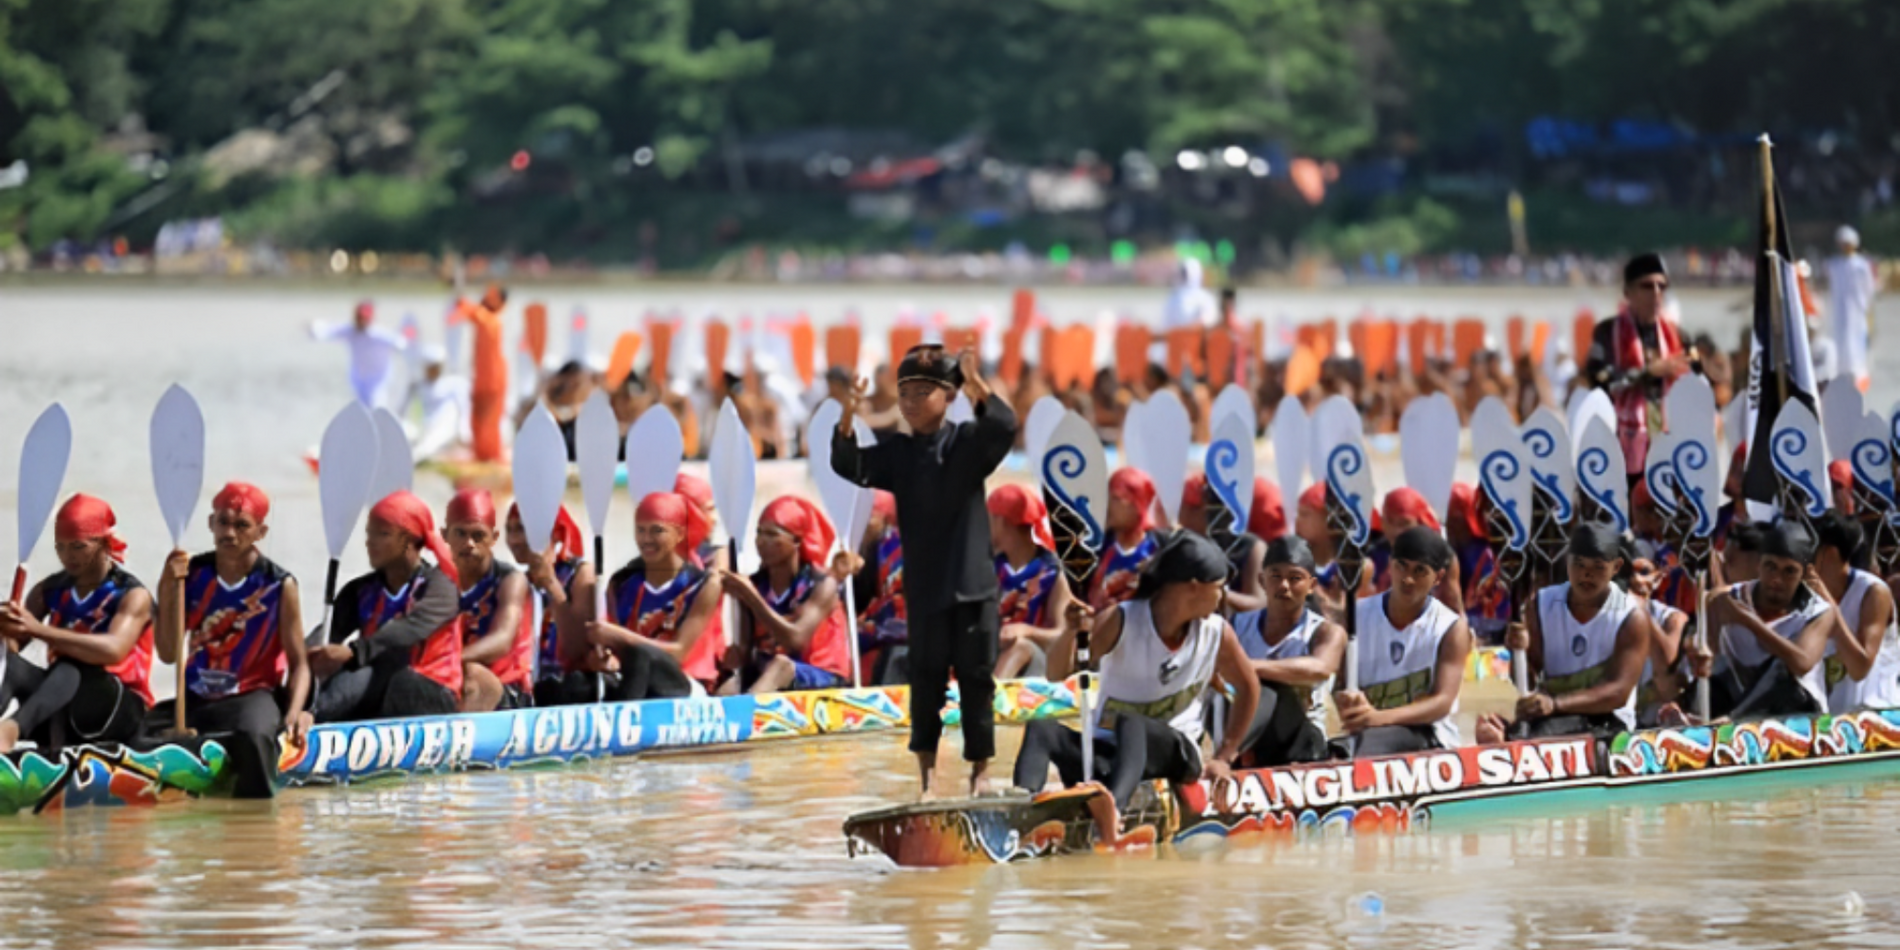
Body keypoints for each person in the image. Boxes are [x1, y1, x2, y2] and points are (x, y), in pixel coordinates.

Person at [832, 344, 1016, 797]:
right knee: (926, 680)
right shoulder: (896, 454)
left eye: (923, 392)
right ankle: (928, 779)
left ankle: (981, 774)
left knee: (976, 681)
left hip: (972, 586)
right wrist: (850, 409)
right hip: (927, 588)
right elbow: (847, 463)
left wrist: (974, 380)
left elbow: (1004, 425)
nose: (911, 402)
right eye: (905, 393)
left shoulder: (968, 445)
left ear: (948, 395)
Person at [1013, 531, 1257, 847]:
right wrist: (1071, 631)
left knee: (1132, 723)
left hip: (1176, 754)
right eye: (1219, 588)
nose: (1222, 598)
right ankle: (1020, 815)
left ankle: (1115, 814)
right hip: (1110, 756)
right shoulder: (1121, 620)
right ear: (1193, 587)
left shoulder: (1216, 633)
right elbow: (1058, 672)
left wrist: (1225, 754)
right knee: (1041, 727)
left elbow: (1249, 688)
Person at [152, 482, 311, 741]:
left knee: (254, 737)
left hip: (252, 697)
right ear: (211, 523)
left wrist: (294, 714)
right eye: (222, 522)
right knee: (138, 738)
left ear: (261, 532)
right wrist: (166, 585)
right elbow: (168, 653)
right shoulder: (189, 574)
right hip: (194, 699)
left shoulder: (279, 584)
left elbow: (299, 664)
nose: (229, 533)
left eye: (242, 526)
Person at [0, 495, 154, 752]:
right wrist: (5, 627)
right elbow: (12, 647)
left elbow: (114, 649)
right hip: (62, 704)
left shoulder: (132, 595)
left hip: (117, 710)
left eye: (78, 547)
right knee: (10, 665)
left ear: (105, 544)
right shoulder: (47, 590)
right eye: (60, 547)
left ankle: (13, 729)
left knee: (71, 666)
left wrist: (37, 629)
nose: (67, 556)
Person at [1477, 524, 1649, 743]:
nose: (1586, 575)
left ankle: (1508, 741)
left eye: (1597, 567)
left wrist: (1555, 704)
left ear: (1615, 567)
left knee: (1536, 737)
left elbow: (1618, 692)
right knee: (1526, 729)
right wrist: (1518, 652)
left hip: (1609, 721)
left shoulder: (1631, 616)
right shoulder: (1539, 605)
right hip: (1553, 717)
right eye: (1579, 565)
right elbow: (1527, 681)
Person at [309, 491, 464, 721]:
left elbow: (407, 630)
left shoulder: (441, 588)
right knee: (340, 675)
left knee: (389, 673)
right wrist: (301, 653)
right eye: (369, 533)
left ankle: (319, 718)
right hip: (377, 683)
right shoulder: (360, 591)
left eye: (382, 534)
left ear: (409, 541)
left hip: (430, 689)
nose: (370, 542)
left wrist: (354, 652)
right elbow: (329, 632)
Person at [1335, 527, 1472, 757]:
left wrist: (1377, 718)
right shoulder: (1355, 617)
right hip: (1368, 734)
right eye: (1401, 566)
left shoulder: (1451, 627)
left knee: (1366, 746)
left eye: (1419, 571)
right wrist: (1346, 700)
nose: (1408, 578)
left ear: (1437, 578)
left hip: (1431, 738)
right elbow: (1339, 683)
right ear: (1390, 565)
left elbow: (1442, 702)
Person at [590, 492, 722, 700]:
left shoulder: (704, 584)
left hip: (684, 686)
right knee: (578, 684)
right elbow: (612, 650)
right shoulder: (620, 583)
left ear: (679, 534)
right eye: (640, 531)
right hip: (632, 683)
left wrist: (618, 637)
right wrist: (604, 655)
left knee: (641, 656)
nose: (646, 540)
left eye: (657, 531)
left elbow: (679, 653)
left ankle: (627, 725)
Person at [1227, 536, 1342, 766]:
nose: (1284, 586)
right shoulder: (1238, 625)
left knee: (1269, 689)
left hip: (1302, 742)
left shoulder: (1325, 632)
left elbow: (1320, 668)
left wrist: (1248, 667)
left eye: (1295, 578)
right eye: (1276, 576)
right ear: (1262, 580)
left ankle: (1229, 753)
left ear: (1311, 586)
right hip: (1249, 734)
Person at [1705, 519, 1836, 718]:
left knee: (1781, 669)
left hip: (1798, 713)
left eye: (1789, 571)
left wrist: (1749, 622)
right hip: (1739, 701)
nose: (1777, 579)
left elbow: (1802, 663)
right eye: (1770, 567)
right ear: (1759, 565)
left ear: (1804, 574)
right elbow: (1709, 655)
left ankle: (1732, 720)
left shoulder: (1818, 611)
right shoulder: (1728, 600)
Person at [721, 497, 851, 694]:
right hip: (771, 673)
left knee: (781, 666)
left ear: (796, 541)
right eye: (759, 533)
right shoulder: (755, 584)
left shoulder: (823, 584)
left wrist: (751, 597)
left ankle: (744, 720)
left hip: (822, 675)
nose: (761, 541)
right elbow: (746, 652)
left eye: (773, 535)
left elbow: (795, 640)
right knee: (729, 687)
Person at [1583, 253, 1688, 478]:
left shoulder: (1677, 335)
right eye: (1647, 286)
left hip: (1671, 446)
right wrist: (1646, 373)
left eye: (1662, 286)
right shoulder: (1608, 333)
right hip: (1623, 447)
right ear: (1628, 293)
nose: (1656, 294)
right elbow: (1598, 382)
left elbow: (1701, 384)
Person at [443, 490, 535, 711]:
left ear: (493, 538)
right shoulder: (436, 582)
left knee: (472, 675)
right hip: (449, 680)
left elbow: (502, 640)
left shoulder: (511, 580)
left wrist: (449, 661)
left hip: (507, 691)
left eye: (478, 535)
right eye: (460, 534)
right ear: (445, 536)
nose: (469, 544)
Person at [503, 502, 595, 706]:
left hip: (570, 689)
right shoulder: (516, 583)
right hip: (528, 689)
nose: (514, 540)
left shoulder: (579, 574)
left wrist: (551, 585)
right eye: (509, 530)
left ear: (553, 532)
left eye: (522, 529)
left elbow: (577, 648)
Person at [1810, 512, 1900, 713]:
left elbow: (1860, 668)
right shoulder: (1809, 598)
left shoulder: (1873, 592)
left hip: (1878, 719)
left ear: (1829, 554)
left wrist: (1827, 605)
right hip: (1835, 723)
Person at [988, 485, 1071, 680]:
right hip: (992, 655)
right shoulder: (991, 567)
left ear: (1003, 522)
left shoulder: (1052, 572)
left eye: (989, 518)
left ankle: (990, 700)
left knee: (1020, 646)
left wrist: (1025, 631)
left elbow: (1061, 634)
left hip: (1037, 665)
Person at [309, 300, 410, 409]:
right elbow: (326, 333)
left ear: (370, 319)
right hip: (358, 379)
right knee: (362, 408)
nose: (361, 321)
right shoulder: (349, 331)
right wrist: (313, 328)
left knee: (376, 404)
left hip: (379, 379)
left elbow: (401, 344)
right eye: (359, 317)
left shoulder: (379, 334)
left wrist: (403, 342)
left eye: (364, 318)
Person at [850, 490, 906, 685]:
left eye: (868, 517)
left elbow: (893, 603)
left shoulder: (890, 545)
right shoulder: (865, 545)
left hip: (899, 627)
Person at [451, 284, 509, 462]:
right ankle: (480, 454)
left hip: (492, 381)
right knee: (477, 419)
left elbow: (472, 311)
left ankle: (490, 456)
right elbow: (470, 311)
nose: (484, 296)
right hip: (483, 379)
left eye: (490, 294)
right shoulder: (487, 318)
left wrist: (461, 299)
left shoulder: (491, 321)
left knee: (488, 422)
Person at [1094, 468, 1161, 609]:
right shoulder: (1095, 549)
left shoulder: (1157, 551)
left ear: (1138, 505)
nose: (1108, 505)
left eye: (1116, 499)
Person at [1825, 225, 1876, 392]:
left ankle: (1858, 375)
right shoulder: (1834, 265)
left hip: (1857, 311)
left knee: (1856, 342)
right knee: (1840, 342)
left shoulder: (1861, 265)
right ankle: (1842, 375)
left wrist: (1868, 309)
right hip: (1840, 310)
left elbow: (1869, 289)